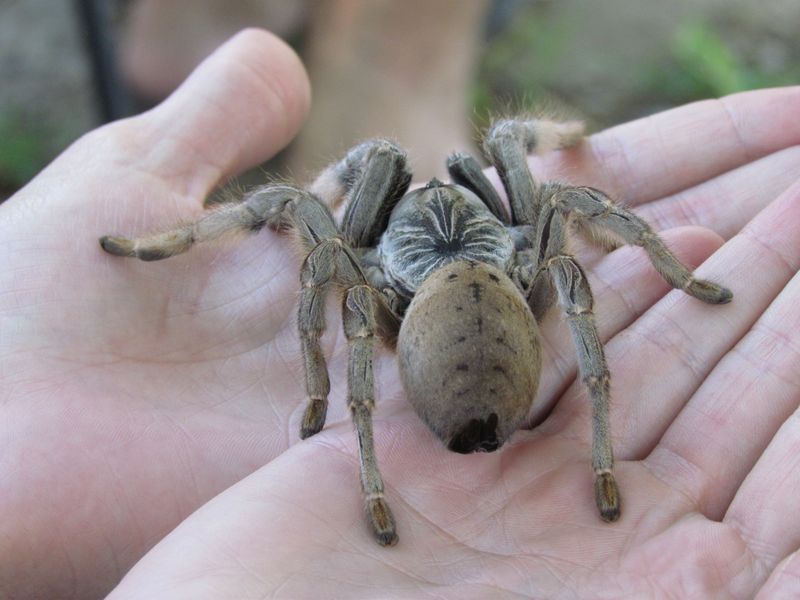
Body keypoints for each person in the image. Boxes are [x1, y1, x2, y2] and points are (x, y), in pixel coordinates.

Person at [1, 29, 799, 599]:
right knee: (568, 213)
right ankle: (597, 461)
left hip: (414, 306)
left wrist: (314, 380)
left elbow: (303, 232)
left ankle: (375, 479)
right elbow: (553, 178)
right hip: (510, 286)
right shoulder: (539, 238)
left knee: (300, 222)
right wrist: (671, 270)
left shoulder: (365, 278)